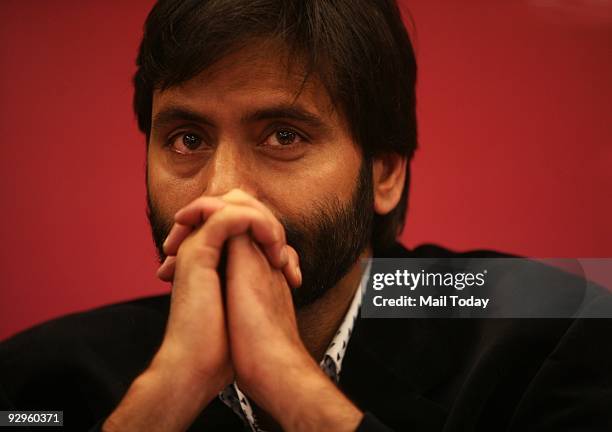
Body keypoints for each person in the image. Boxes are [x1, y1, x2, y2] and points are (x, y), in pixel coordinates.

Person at [1, 1, 611, 431]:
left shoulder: (555, 330)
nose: (224, 193)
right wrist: (165, 399)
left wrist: (291, 386)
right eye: (187, 139)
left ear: (384, 173)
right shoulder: (38, 385)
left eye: (284, 135)